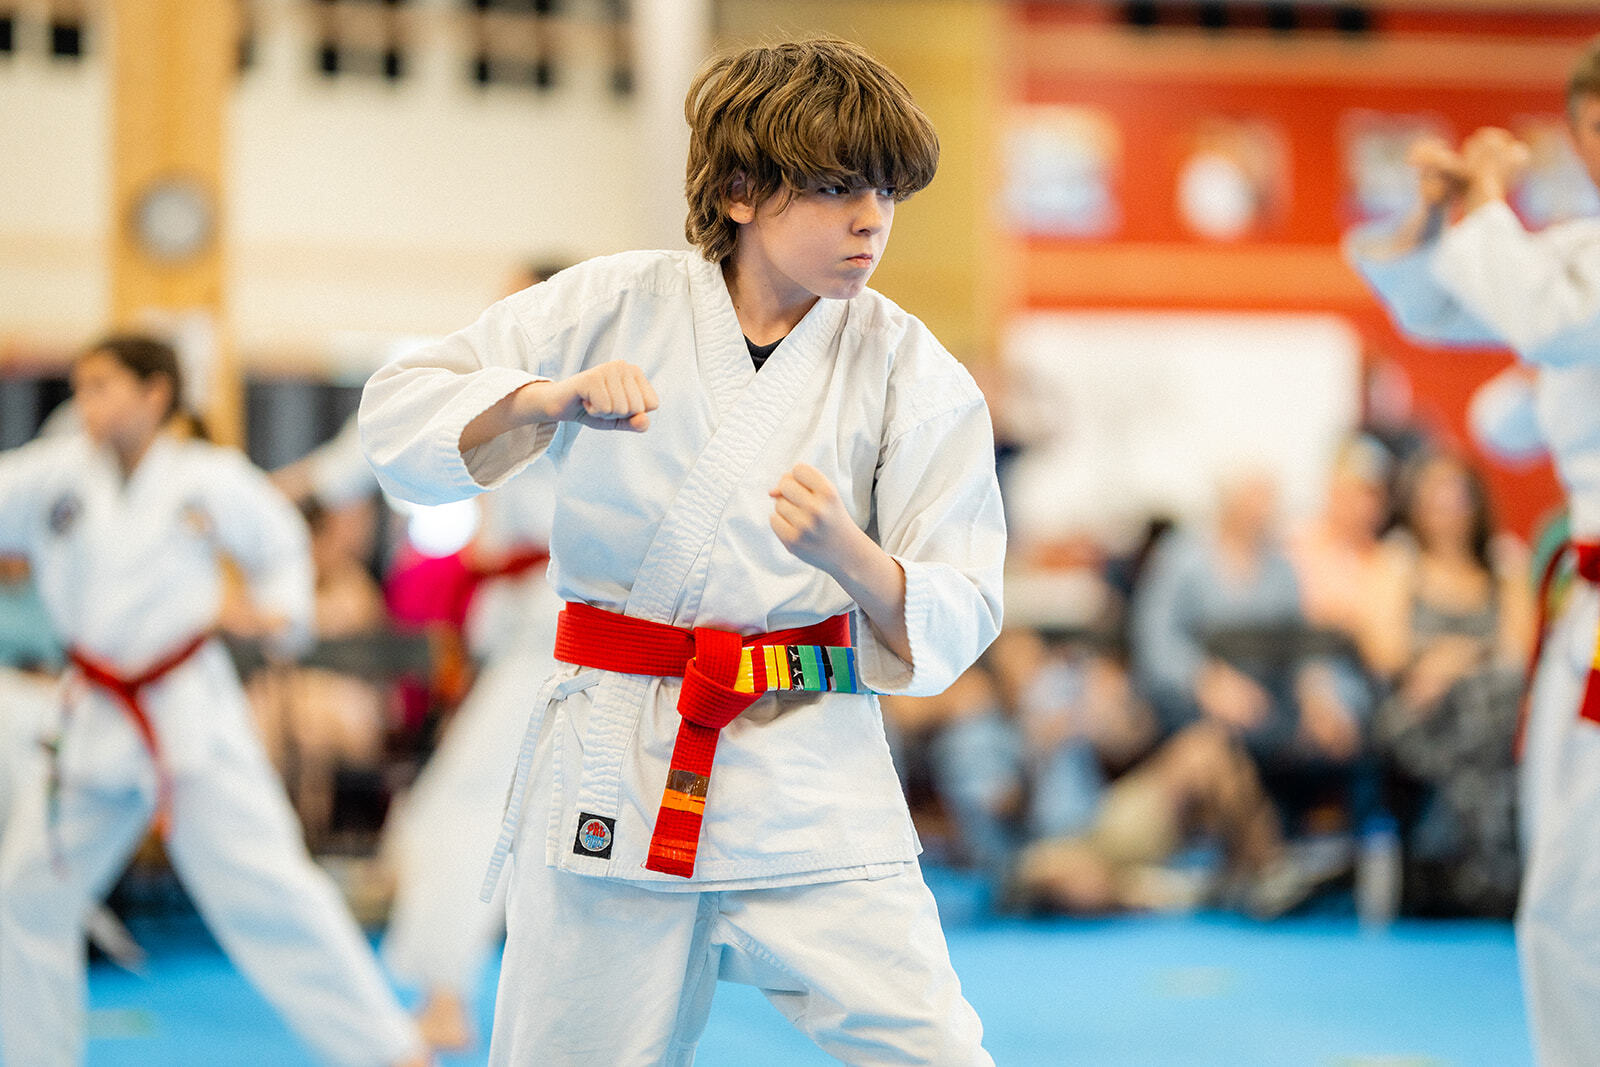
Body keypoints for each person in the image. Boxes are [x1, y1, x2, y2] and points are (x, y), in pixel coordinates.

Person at [360, 36, 1005, 1066]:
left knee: (933, 1048)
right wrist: (544, 399)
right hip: (615, 757)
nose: (869, 220)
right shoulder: (607, 303)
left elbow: (963, 601)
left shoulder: (909, 368)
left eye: (885, 191)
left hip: (807, 763)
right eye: (839, 187)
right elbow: (398, 413)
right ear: (742, 189)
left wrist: (850, 553)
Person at [0, 336, 427, 1067]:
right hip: (95, 716)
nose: (88, 402)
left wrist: (280, 612)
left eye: (104, 385)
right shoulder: (54, 474)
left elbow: (281, 543)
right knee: (24, 900)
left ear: (155, 392)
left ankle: (391, 1051)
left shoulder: (208, 478)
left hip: (186, 715)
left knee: (274, 894)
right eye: (83, 387)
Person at [1346, 36, 1600, 1063]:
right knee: (1562, 876)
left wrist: (1491, 196)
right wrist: (1438, 218)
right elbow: (1462, 317)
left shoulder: (1572, 271)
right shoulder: (1580, 246)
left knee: (1574, 880)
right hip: (1584, 616)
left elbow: (1543, 311)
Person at [381, 459, 562, 1051]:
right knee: (475, 817)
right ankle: (447, 996)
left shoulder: (556, 420)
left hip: (556, 647)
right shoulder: (531, 427)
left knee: (463, 813)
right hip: (537, 643)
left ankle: (446, 996)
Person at [1364, 452, 1533, 917]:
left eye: (1456, 497)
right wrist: (1433, 667)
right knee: (1488, 711)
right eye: (1434, 498)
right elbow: (1385, 652)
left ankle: (1456, 865)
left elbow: (1516, 653)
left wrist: (1450, 661)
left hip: (1484, 707)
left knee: (1495, 697)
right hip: (1416, 710)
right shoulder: (1399, 561)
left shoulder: (1505, 564)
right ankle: (1494, 873)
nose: (1446, 508)